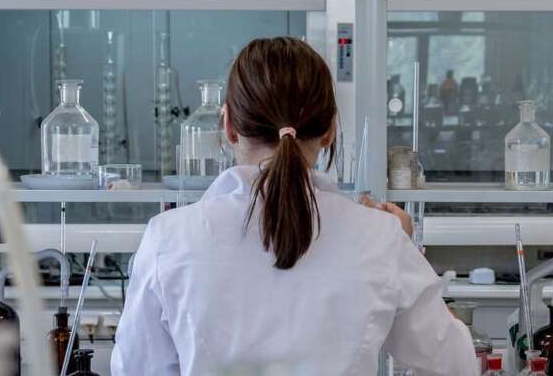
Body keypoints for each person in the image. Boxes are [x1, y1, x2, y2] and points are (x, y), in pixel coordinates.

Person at [111, 37, 478, 376]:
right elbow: (456, 364)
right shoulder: (380, 237)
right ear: (330, 130)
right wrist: (405, 248)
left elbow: (134, 368)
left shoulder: (168, 238)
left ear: (229, 126)